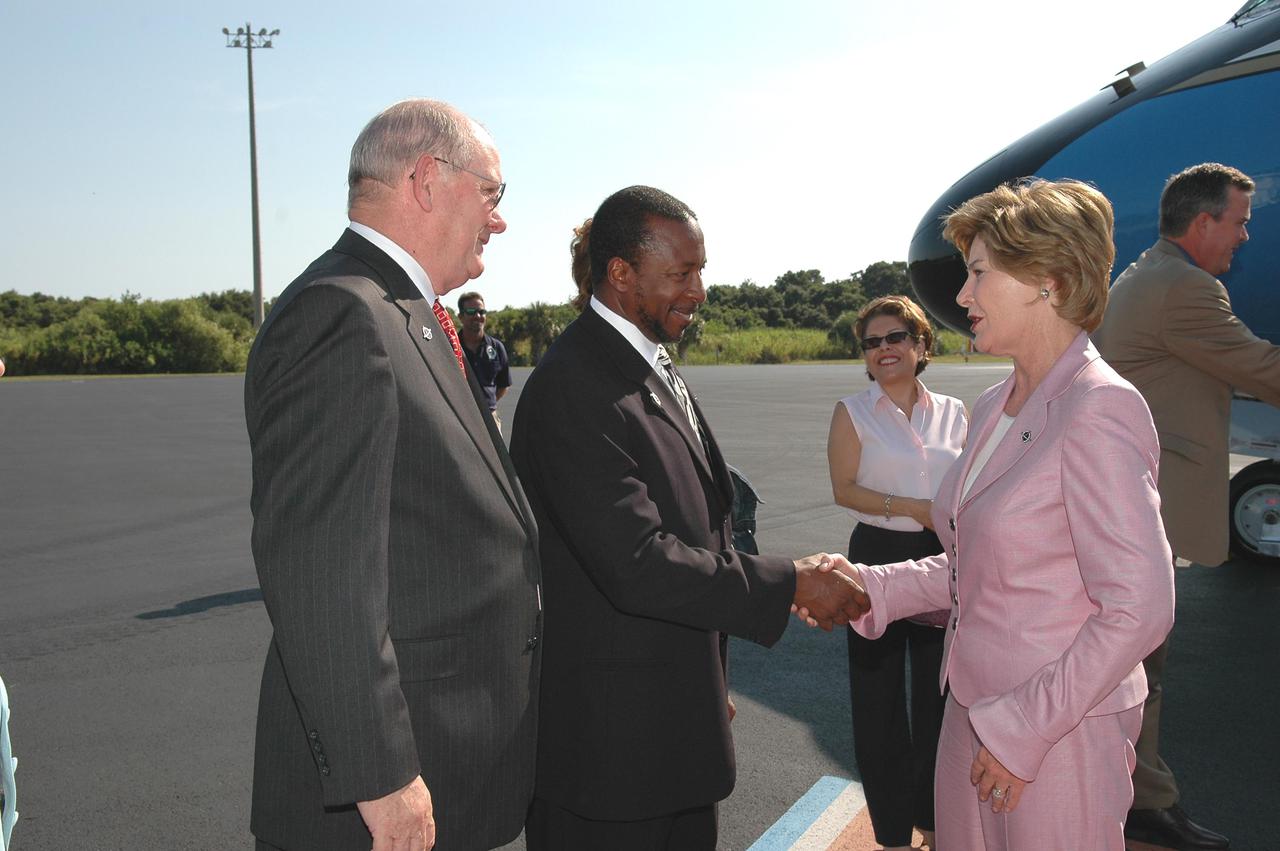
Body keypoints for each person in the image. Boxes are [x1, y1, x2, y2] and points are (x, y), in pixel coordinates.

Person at [812, 178, 1175, 848]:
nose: (962, 296)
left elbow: (1140, 603)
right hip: (971, 710)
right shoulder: (991, 405)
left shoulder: (1099, 406)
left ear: (1049, 279)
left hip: (1057, 729)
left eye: (979, 273)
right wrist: (872, 584)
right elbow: (975, 567)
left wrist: (1025, 728)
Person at [510, 186, 869, 850]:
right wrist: (788, 582)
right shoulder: (575, 386)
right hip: (610, 767)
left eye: (700, 269)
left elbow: (703, 526)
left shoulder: (645, 363)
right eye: (682, 273)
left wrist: (706, 682)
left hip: (668, 738)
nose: (700, 290)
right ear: (621, 273)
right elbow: (637, 563)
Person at [243, 99, 541, 851]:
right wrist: (380, 776)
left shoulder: (403, 310)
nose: (499, 220)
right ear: (427, 178)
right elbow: (321, 574)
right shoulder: (342, 316)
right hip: (381, 800)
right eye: (493, 193)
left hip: (447, 768)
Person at [1094, 162, 1280, 850]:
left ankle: (1139, 797)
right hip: (1145, 503)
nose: (1245, 235)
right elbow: (1260, 366)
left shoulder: (1149, 273)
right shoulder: (1184, 288)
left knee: (1140, 667)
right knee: (1139, 668)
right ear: (1202, 222)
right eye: (1238, 221)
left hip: (1131, 500)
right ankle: (1136, 805)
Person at [826, 295, 967, 851]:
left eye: (895, 338)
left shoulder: (957, 412)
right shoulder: (852, 411)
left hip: (941, 559)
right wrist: (911, 506)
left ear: (920, 344)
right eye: (873, 342)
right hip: (877, 557)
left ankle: (935, 824)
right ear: (865, 355)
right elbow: (844, 489)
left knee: (939, 702)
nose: (884, 350)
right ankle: (891, 834)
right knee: (878, 703)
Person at [455, 291, 511, 428]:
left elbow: (503, 385)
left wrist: (486, 404)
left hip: (489, 418)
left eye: (481, 311)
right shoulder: (449, 347)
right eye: (471, 311)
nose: (478, 316)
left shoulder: (497, 348)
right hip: (458, 419)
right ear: (461, 317)